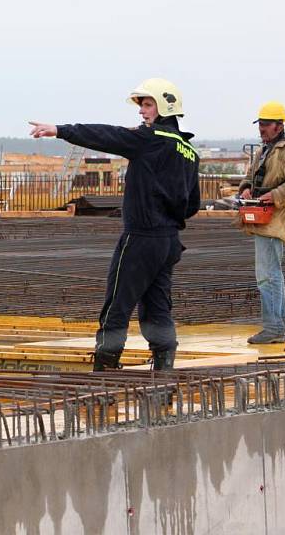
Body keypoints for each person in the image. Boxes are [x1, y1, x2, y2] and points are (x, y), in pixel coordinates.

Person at [29, 78, 200, 371]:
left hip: (141, 239)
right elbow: (192, 205)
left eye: (147, 105)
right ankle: (164, 371)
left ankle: (105, 371)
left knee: (117, 307)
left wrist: (60, 131)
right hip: (168, 242)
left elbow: (106, 136)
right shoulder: (189, 152)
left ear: (164, 107)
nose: (142, 112)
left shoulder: (149, 139)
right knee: (157, 308)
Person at [237, 102, 285, 344]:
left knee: (267, 276)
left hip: (274, 221)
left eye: (266, 124)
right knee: (272, 274)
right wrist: (247, 188)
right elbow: (251, 175)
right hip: (263, 219)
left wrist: (276, 196)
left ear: (279, 126)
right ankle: (281, 328)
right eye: (260, 124)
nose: (262, 129)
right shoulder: (266, 150)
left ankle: (273, 328)